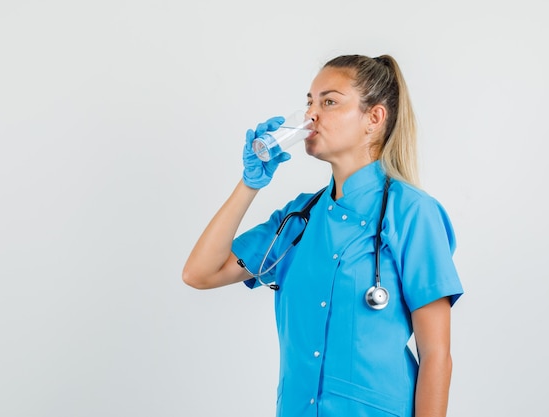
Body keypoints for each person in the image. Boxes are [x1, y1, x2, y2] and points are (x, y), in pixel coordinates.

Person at [183, 54, 463, 417]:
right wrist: (250, 184)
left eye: (329, 102)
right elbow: (200, 273)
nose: (311, 115)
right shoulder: (298, 219)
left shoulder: (411, 212)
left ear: (374, 119)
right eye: (309, 102)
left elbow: (436, 355)